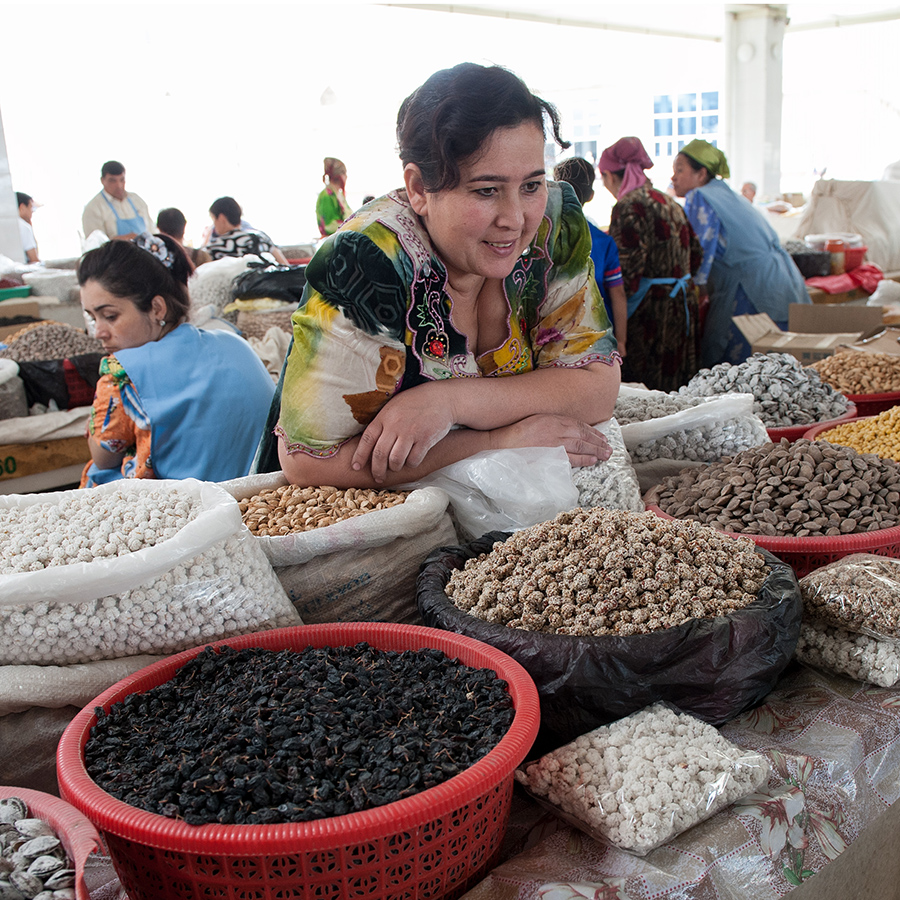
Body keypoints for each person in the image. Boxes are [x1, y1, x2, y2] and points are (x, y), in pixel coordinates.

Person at [267, 62, 621, 489]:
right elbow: (310, 461)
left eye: (531, 184)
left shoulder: (551, 226)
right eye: (486, 190)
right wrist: (497, 439)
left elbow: (597, 386)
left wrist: (449, 402)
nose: (514, 218)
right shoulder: (367, 262)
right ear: (418, 189)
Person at [77, 233, 276, 487]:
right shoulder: (234, 342)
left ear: (157, 308)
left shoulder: (122, 374)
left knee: (98, 475)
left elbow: (103, 457)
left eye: (110, 316)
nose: (99, 332)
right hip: (264, 498)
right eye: (94, 319)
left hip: (191, 511)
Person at [671, 139, 809, 368]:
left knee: (744, 368)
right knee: (778, 369)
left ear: (701, 173)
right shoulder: (726, 194)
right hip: (780, 280)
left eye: (680, 170)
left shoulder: (701, 196)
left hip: (751, 287)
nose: (673, 177)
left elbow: (698, 257)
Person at [598, 137, 703, 391]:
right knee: (678, 390)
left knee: (648, 392)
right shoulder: (670, 202)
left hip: (652, 315)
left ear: (611, 176)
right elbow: (696, 255)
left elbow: (626, 275)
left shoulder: (628, 206)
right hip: (683, 306)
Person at [553, 157, 627, 358]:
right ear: (591, 195)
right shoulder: (603, 242)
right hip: (595, 335)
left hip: (549, 334)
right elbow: (617, 293)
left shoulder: (539, 237)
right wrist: (620, 340)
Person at [204, 197, 289, 264]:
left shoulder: (216, 246)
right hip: (269, 284)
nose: (213, 225)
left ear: (222, 218)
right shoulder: (260, 237)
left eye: (213, 219)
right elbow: (285, 265)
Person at [82, 161, 153, 241]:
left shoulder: (137, 201)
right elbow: (95, 245)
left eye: (122, 180)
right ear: (102, 181)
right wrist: (124, 239)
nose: (119, 185)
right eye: (112, 181)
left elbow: (152, 232)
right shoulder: (93, 208)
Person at [316, 158, 352, 237]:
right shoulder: (326, 195)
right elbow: (329, 225)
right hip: (333, 240)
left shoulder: (338, 194)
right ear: (340, 176)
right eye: (345, 174)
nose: (346, 177)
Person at [16, 192, 38, 263]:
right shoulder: (24, 226)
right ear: (22, 207)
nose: (32, 211)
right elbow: (34, 260)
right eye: (31, 207)